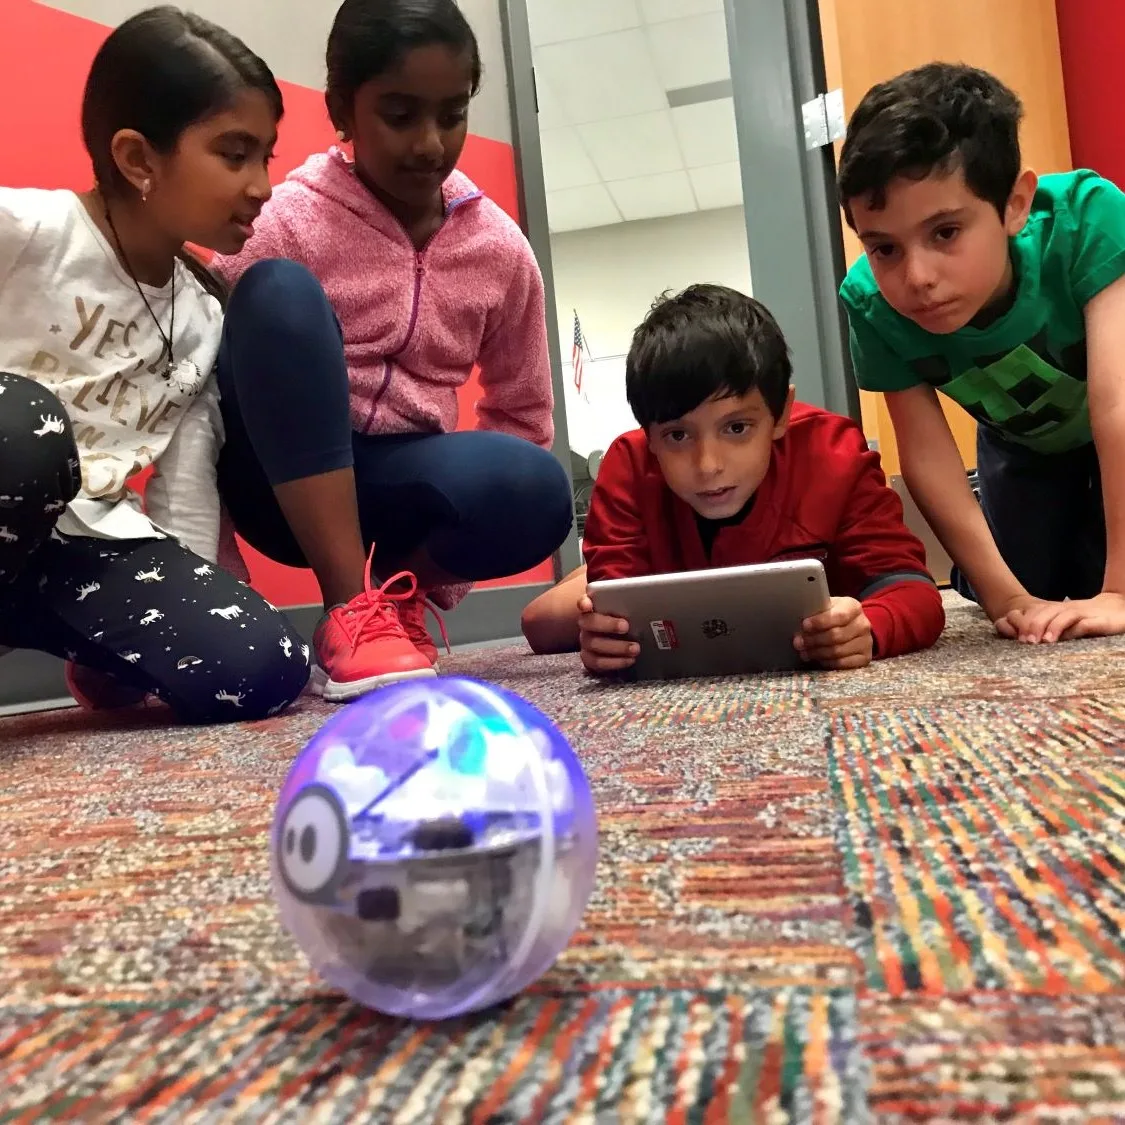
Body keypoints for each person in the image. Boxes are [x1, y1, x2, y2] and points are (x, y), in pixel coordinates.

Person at [209, 0, 573, 702]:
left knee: (537, 486)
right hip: (277, 484)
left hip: (402, 484)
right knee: (277, 290)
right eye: (400, 116)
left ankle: (388, 602)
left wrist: (433, 586)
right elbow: (194, 390)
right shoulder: (284, 220)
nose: (431, 143)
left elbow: (522, 411)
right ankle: (350, 603)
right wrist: (218, 565)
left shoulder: (500, 252)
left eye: (452, 113)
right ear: (344, 112)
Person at [0, 6, 309, 724]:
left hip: (76, 549)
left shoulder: (204, 316)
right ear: (139, 158)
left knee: (264, 666)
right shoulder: (28, 231)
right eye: (235, 155)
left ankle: (97, 655)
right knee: (28, 428)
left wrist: (187, 589)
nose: (262, 183)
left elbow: (185, 486)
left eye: (266, 155)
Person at [837, 62, 1125, 646]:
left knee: (1100, 573)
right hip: (1021, 444)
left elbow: (1116, 404)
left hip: (1113, 422)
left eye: (945, 232)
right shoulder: (871, 302)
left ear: (1015, 204)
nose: (917, 278)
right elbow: (926, 455)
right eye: (885, 248)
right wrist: (1008, 598)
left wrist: (1120, 591)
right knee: (1027, 580)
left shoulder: (1090, 218)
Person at [521, 285, 945, 674]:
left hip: (689, 561)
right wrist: (605, 639)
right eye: (677, 435)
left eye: (737, 428)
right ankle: (582, 577)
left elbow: (913, 591)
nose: (708, 466)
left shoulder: (833, 452)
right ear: (648, 435)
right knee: (540, 624)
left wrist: (870, 628)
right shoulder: (628, 464)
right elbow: (616, 616)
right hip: (660, 559)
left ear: (780, 414)